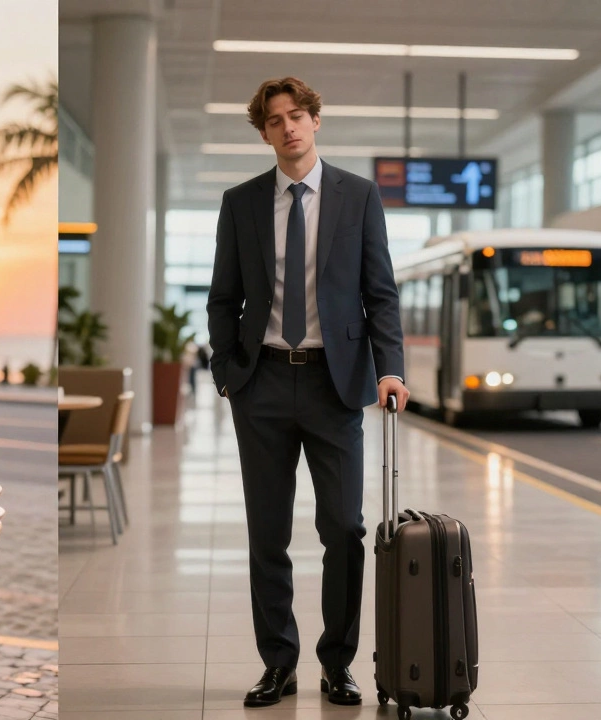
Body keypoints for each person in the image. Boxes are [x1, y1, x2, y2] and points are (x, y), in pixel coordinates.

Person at [205, 77, 408, 708]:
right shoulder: (241, 203)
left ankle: (337, 662)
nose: (288, 127)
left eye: (297, 115)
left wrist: (391, 368)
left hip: (334, 383)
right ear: (263, 132)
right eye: (275, 120)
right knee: (267, 534)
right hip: (261, 381)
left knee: (344, 528)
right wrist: (226, 370)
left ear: (316, 120)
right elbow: (222, 297)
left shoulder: (358, 195)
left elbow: (380, 292)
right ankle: (278, 663)